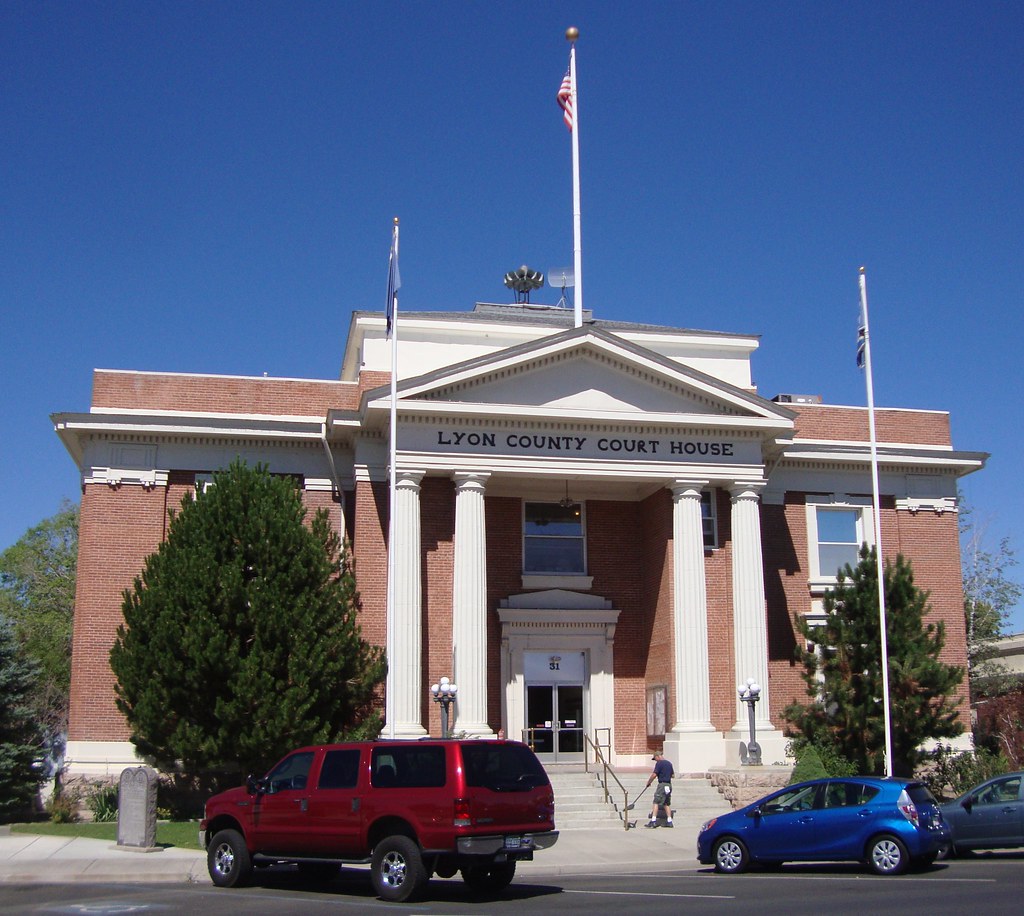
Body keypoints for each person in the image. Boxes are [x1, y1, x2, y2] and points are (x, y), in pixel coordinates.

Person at [645, 751, 674, 828]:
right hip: (669, 785)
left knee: (656, 802)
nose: (655, 760)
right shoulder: (669, 763)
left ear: (658, 756)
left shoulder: (659, 763)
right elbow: (673, 775)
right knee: (666, 803)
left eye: (655, 759)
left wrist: (649, 782)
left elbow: (654, 774)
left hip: (662, 785)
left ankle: (653, 821)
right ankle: (669, 821)